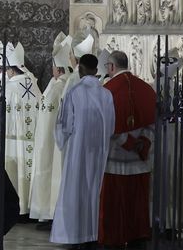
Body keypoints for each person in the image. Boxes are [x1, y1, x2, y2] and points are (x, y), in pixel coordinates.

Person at [50, 54, 115, 248]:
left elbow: (65, 126)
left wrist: (61, 141)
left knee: (75, 191)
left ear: (80, 69)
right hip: (99, 152)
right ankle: (93, 233)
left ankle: (75, 235)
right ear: (96, 71)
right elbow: (111, 126)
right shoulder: (106, 94)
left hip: (78, 153)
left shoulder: (74, 92)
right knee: (95, 191)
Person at [99, 51, 156, 247]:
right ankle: (137, 236)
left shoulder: (107, 90)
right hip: (140, 160)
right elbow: (154, 122)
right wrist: (142, 142)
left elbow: (106, 124)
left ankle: (112, 238)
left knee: (113, 205)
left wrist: (126, 141)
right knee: (137, 204)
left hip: (114, 160)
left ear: (111, 67)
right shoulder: (147, 89)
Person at [28, 32, 72, 229]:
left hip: (52, 142)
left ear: (58, 68)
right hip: (48, 140)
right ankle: (46, 212)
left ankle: (51, 212)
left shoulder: (60, 87)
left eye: (54, 66)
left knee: (53, 174)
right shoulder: (57, 85)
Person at [0, 41, 41, 216]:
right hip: (32, 139)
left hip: (14, 140)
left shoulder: (10, 87)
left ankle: (17, 208)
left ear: (11, 69)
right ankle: (29, 207)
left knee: (14, 173)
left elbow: (4, 115)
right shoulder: (33, 83)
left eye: (7, 70)